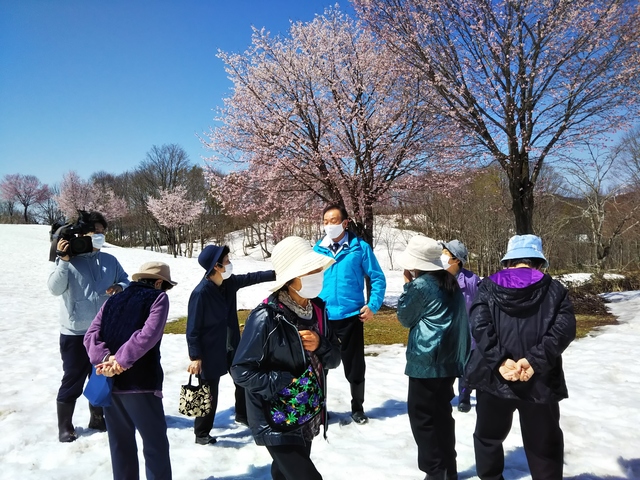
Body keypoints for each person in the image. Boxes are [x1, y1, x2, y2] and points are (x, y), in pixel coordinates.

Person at [465, 234, 576, 479]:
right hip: (539, 380)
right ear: (539, 262)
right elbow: (564, 330)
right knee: (544, 446)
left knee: (487, 439)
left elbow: (479, 325)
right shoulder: (555, 290)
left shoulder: (487, 286)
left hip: (494, 378)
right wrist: (534, 361)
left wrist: (501, 361)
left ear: (509, 261)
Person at [231, 236, 341, 480]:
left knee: (283, 475)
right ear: (290, 279)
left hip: (307, 410)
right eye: (308, 271)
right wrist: (282, 381)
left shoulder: (319, 310)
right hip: (276, 417)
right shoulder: (266, 317)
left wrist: (320, 343)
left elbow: (334, 359)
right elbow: (240, 370)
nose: (317, 275)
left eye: (317, 269)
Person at [84, 261, 176, 480]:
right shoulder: (158, 297)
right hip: (141, 383)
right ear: (159, 283)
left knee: (120, 445)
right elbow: (148, 335)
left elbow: (90, 335)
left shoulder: (112, 301)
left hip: (110, 384)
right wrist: (121, 361)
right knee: (155, 445)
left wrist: (106, 359)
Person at [47, 210, 129, 442]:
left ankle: (97, 417)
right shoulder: (67, 260)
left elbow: (125, 279)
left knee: (101, 376)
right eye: (96, 233)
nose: (100, 237)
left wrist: (120, 287)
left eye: (103, 233)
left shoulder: (109, 260)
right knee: (73, 377)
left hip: (103, 331)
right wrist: (63, 262)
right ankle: (65, 426)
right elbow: (54, 289)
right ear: (83, 234)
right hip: (74, 332)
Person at [396, 235, 471, 480]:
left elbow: (405, 318)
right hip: (449, 360)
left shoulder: (421, 285)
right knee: (441, 415)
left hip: (425, 362)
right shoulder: (449, 281)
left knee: (422, 419)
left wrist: (407, 286)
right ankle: (449, 468)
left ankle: (434, 471)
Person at [186, 244, 276, 445]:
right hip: (210, 351)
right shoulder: (201, 293)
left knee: (242, 382)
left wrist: (277, 273)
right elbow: (192, 328)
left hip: (233, 346)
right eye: (226, 261)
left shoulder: (229, 283)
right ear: (216, 266)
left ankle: (243, 415)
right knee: (208, 392)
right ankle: (201, 433)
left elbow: (253, 277)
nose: (230, 263)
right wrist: (195, 356)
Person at [313, 203, 386, 424]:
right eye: (325, 222)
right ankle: (320, 409)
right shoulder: (317, 250)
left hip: (351, 316)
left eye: (333, 221)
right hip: (323, 317)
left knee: (354, 366)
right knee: (319, 366)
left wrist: (372, 305)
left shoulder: (359, 248)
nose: (329, 226)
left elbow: (377, 278)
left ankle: (357, 408)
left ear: (345, 223)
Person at [440, 239, 480, 413]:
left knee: (466, 372)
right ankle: (444, 396)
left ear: (456, 260)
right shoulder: (438, 277)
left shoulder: (471, 281)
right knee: (445, 368)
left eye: (446, 253)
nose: (442, 256)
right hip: (444, 333)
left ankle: (464, 398)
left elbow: (482, 304)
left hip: (467, 334)